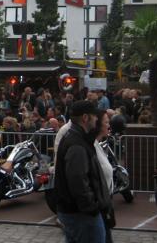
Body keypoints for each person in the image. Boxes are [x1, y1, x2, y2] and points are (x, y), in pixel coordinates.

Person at [54, 100, 110, 243]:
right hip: (80, 214)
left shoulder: (76, 138)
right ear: (85, 118)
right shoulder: (76, 144)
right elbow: (77, 180)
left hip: (77, 212)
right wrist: (91, 207)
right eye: (94, 116)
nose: (96, 119)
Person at [93, 110, 115, 243]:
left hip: (104, 201)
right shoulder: (91, 146)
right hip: (97, 205)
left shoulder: (98, 145)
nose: (109, 125)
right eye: (106, 122)